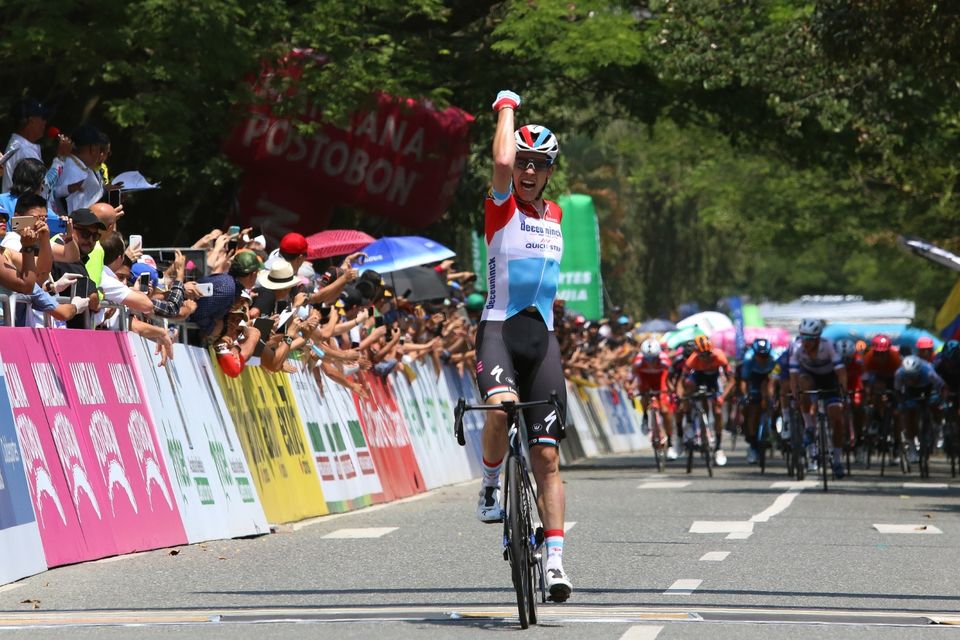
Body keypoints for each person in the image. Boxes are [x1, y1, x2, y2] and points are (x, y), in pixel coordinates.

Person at [473, 90, 571, 602]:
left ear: (550, 172)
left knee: (548, 458)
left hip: (544, 341)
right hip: (499, 331)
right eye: (524, 163)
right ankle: (490, 484)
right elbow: (501, 158)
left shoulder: (555, 214)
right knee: (498, 412)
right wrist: (506, 106)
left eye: (539, 165)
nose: (528, 171)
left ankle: (555, 561)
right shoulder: (501, 205)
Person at [789, 318, 848, 478]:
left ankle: (837, 460)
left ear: (817, 338)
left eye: (809, 338)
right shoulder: (797, 348)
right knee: (803, 385)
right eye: (802, 337)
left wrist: (844, 393)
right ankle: (809, 426)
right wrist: (795, 396)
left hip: (829, 377)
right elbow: (793, 376)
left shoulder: (828, 345)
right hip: (809, 376)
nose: (805, 342)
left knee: (836, 417)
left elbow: (841, 373)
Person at [683, 335, 730, 466]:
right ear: (696, 353)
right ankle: (690, 421)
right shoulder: (692, 360)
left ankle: (719, 447)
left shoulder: (719, 356)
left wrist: (723, 396)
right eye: (702, 355)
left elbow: (731, 380)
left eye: (708, 354)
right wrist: (684, 398)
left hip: (713, 380)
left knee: (718, 410)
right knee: (690, 388)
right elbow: (683, 381)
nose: (706, 358)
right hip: (698, 378)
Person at [632, 339, 677, 460]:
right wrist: (631, 388)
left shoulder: (664, 360)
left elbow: (668, 377)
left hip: (659, 381)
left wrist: (671, 389)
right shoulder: (638, 361)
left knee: (665, 410)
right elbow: (634, 376)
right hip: (645, 380)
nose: (651, 361)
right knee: (644, 395)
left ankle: (671, 443)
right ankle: (645, 417)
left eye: (653, 358)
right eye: (648, 358)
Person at [894, 355, 945, 463]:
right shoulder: (899, 374)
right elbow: (898, 392)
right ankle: (912, 448)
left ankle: (938, 427)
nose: (910, 379)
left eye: (912, 376)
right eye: (908, 376)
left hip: (929, 390)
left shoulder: (929, 372)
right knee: (908, 414)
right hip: (911, 392)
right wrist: (902, 405)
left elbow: (941, 386)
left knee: (935, 405)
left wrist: (942, 402)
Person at [740, 338, 777, 465]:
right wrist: (746, 396)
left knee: (774, 399)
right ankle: (753, 445)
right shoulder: (748, 358)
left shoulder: (774, 358)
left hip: (769, 378)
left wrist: (772, 397)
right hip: (754, 378)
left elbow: (774, 380)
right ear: (755, 353)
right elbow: (744, 381)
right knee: (753, 410)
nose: (762, 358)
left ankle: (777, 427)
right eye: (759, 355)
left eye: (765, 355)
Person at [55, 124, 104, 213]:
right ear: (93, 149)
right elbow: (73, 210)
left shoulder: (74, 165)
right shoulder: (73, 170)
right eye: (99, 149)